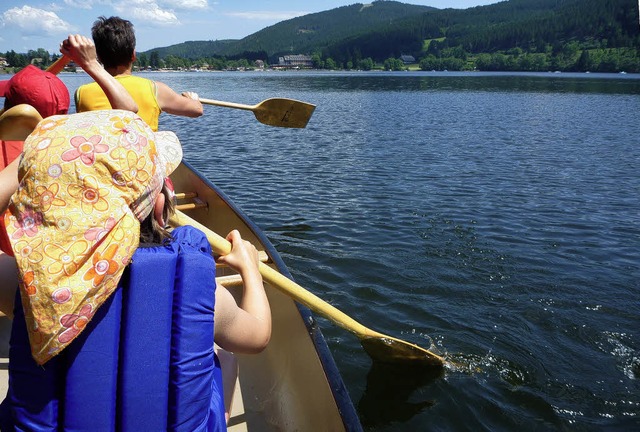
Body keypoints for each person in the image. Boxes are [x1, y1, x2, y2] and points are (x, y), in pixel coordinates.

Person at [1, 109, 270, 428]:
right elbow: (257, 335)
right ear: (160, 207)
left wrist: (36, 156)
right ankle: (221, 417)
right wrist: (250, 269)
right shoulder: (201, 295)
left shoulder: (23, 284)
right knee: (224, 357)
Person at [75, 16, 203, 131]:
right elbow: (196, 110)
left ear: (99, 57)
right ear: (133, 55)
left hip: (102, 156)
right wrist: (193, 99)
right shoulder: (155, 89)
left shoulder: (82, 92)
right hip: (142, 156)